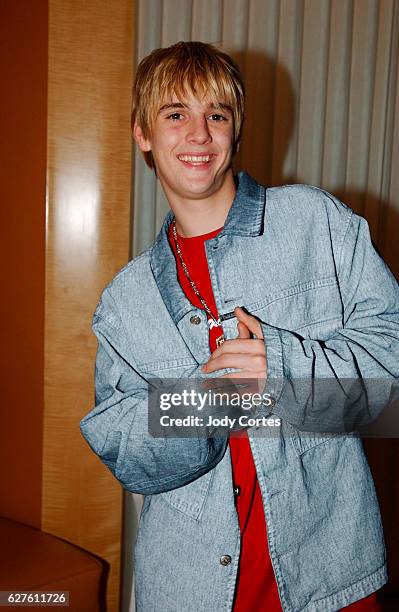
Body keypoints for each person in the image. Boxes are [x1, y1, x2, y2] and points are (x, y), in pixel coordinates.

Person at [80, 41, 399, 611]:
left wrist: (285, 372)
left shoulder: (317, 224)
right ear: (143, 134)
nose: (198, 134)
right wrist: (205, 404)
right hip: (188, 590)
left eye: (216, 115)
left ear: (235, 129)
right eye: (175, 115)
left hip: (329, 579)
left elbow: (390, 378)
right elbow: (121, 446)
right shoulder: (124, 301)